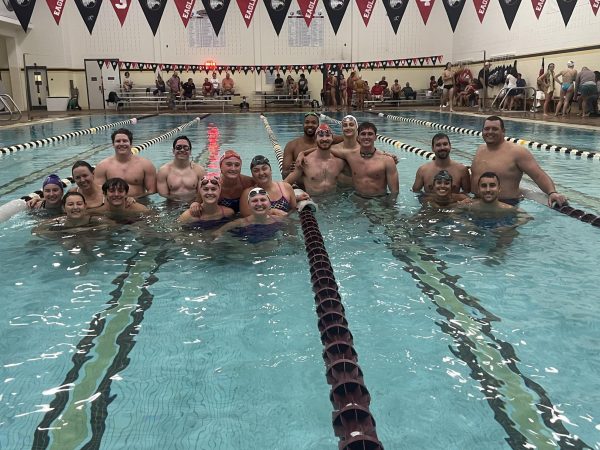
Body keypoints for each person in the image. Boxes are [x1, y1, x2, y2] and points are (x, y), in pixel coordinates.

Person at [470, 116, 567, 207]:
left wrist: (552, 192)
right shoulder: (480, 149)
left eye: (495, 129)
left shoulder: (517, 152)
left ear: (503, 131)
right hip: (477, 202)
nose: (490, 132)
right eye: (487, 129)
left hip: (506, 205)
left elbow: (538, 175)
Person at [330, 122, 399, 200]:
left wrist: (389, 207)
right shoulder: (350, 155)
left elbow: (394, 192)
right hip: (358, 199)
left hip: (379, 201)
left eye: (370, 134)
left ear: (375, 137)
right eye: (363, 134)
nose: (366, 137)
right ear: (358, 137)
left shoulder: (387, 161)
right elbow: (325, 147)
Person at [94, 128, 157, 199]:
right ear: (113, 144)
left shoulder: (145, 165)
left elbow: (152, 191)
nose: (121, 144)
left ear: (131, 143)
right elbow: (99, 191)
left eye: (125, 141)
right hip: (113, 205)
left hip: (140, 204)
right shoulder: (102, 166)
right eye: (118, 141)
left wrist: (134, 199)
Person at [284, 123, 346, 195]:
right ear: (316, 139)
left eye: (328, 135)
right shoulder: (305, 162)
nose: (324, 139)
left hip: (334, 203)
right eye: (321, 135)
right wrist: (295, 198)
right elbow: (286, 183)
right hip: (314, 203)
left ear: (332, 138)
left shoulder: (340, 163)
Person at [189, 150, 255, 216]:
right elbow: (198, 201)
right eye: (229, 164)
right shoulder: (212, 185)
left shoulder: (247, 182)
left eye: (237, 165)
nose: (233, 168)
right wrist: (195, 204)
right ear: (221, 167)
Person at [214, 187, 288, 243]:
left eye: (263, 200)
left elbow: (291, 234)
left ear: (269, 204)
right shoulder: (239, 223)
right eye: (255, 201)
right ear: (249, 205)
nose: (259, 204)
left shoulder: (279, 220)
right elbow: (216, 233)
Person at [32, 192, 111, 236]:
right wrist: (62, 232)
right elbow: (36, 231)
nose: (75, 207)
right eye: (70, 204)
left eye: (79, 204)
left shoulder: (96, 220)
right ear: (64, 208)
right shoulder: (57, 221)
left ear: (85, 206)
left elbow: (113, 225)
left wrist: (85, 230)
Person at [157, 136, 206, 202]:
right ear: (173, 151)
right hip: (172, 207)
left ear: (190, 151)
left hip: (193, 206)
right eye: (178, 147)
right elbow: (163, 195)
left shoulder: (199, 170)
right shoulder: (163, 171)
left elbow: (202, 193)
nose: (182, 150)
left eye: (186, 148)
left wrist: (193, 205)